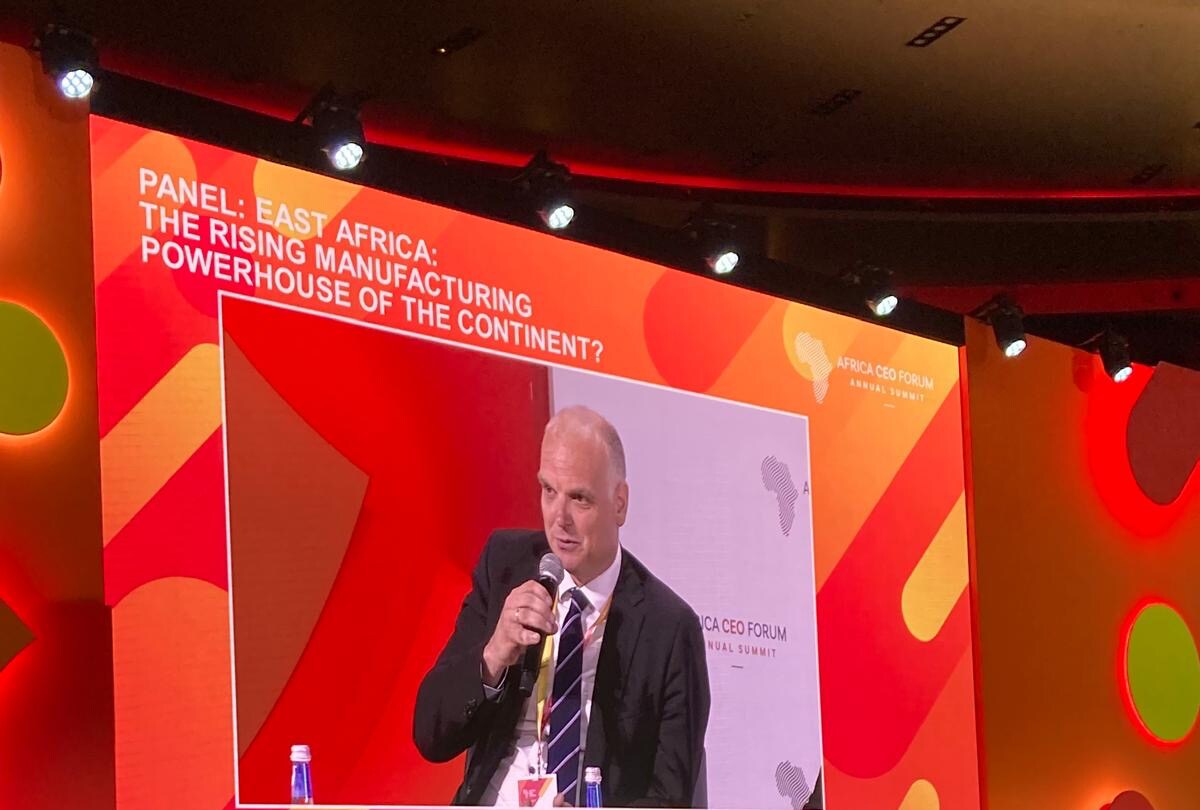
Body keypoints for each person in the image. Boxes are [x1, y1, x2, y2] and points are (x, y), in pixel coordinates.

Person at [414, 406, 710, 807]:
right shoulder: (505, 567)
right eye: (548, 491)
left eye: (579, 499)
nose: (559, 518)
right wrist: (494, 655)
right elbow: (430, 734)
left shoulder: (669, 629)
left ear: (619, 504)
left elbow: (671, 798)